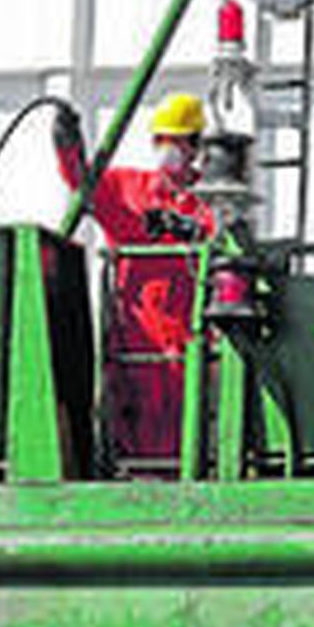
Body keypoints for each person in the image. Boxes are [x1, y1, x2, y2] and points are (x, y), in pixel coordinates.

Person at [54, 93, 216, 459]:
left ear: (194, 146)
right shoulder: (128, 190)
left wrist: (186, 227)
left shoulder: (208, 202)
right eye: (159, 140)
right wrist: (67, 143)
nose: (165, 149)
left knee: (185, 432)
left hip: (186, 345)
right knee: (132, 430)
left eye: (173, 140)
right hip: (134, 344)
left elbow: (220, 239)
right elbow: (82, 180)